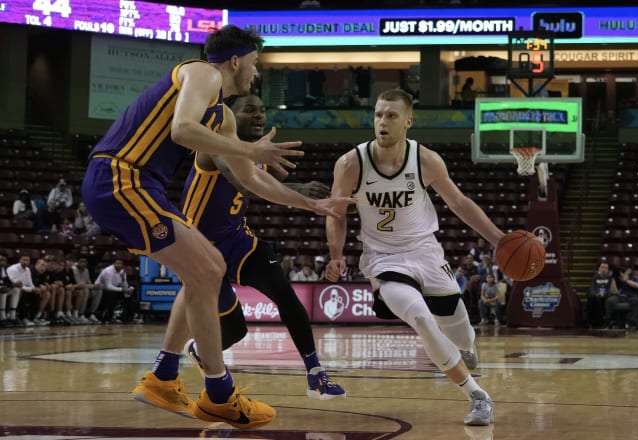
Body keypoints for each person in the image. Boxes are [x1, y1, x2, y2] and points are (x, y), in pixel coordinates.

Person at [81, 25, 349, 427]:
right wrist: (251, 148)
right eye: (255, 64)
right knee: (208, 269)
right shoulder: (202, 72)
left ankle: (164, 377)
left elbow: (253, 180)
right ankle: (218, 393)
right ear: (236, 61)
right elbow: (181, 129)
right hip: (120, 177)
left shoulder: (222, 116)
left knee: (203, 271)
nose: (256, 74)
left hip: (136, 183)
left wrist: (311, 203)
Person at [325, 89, 503, 425]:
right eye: (378, 114)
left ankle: (465, 348)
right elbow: (336, 213)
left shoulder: (426, 160)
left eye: (391, 116)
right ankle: (478, 396)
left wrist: (498, 239)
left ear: (408, 121)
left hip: (425, 251)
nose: (382, 122)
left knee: (462, 333)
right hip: (383, 258)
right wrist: (335, 255)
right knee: (421, 318)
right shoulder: (351, 163)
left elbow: (460, 204)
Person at [179, 92, 345, 400]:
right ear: (231, 116)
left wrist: (305, 191)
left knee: (285, 294)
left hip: (237, 240)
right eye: (249, 110)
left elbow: (262, 182)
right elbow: (245, 183)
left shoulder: (255, 155)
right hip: (199, 250)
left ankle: (315, 375)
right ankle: (201, 351)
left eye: (262, 109)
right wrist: (305, 198)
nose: (258, 115)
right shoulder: (214, 142)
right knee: (235, 331)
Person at [94, 258, 135, 323]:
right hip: (101, 289)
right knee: (112, 295)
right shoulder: (108, 271)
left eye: (120, 264)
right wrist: (122, 289)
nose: (119, 265)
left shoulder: (122, 272)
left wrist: (123, 279)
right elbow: (108, 287)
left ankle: (130, 317)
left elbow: (125, 287)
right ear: (114, 264)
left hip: (115, 289)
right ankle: (109, 317)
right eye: (117, 263)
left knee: (129, 295)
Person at [604, 265, 638, 329]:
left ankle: (632, 322)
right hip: (618, 297)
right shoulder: (617, 280)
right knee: (609, 300)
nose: (622, 274)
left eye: (624, 272)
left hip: (630, 297)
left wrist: (626, 281)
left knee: (637, 301)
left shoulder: (634, 278)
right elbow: (614, 292)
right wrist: (613, 280)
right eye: (621, 272)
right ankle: (608, 320)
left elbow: (637, 285)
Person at [586, 261, 616, 328]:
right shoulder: (595, 278)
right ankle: (594, 321)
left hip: (605, 296)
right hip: (595, 296)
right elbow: (592, 288)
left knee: (596, 299)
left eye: (605, 268)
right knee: (592, 298)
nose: (603, 269)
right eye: (602, 267)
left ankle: (596, 321)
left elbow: (610, 291)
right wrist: (595, 294)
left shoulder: (610, 279)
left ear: (608, 270)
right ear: (599, 269)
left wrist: (603, 295)